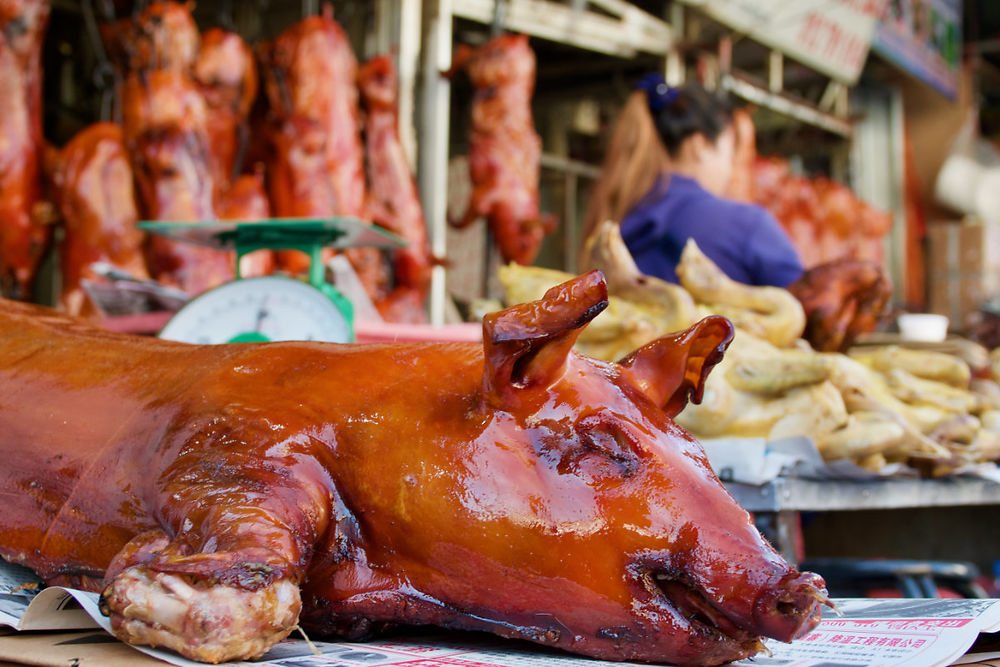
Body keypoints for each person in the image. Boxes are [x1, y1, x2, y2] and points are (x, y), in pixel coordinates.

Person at [582, 73, 804, 288]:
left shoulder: (613, 222)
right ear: (699, 146)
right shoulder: (748, 225)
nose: (729, 171)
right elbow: (812, 310)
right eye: (728, 154)